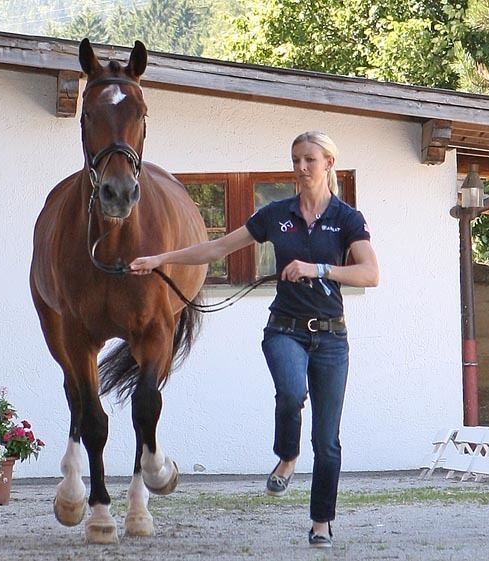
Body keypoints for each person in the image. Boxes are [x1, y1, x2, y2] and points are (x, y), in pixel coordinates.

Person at [130, 131, 379, 548]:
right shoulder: (275, 214)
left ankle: (321, 523)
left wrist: (318, 269)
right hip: (284, 329)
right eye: (295, 159)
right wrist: (162, 258)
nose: (300, 167)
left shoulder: (347, 218)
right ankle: (287, 455)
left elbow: (370, 273)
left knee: (328, 441)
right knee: (289, 394)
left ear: (329, 164)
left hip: (332, 339)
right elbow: (217, 248)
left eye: (309, 160)